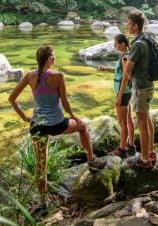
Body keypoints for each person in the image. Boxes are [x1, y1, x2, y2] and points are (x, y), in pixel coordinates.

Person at [9, 45, 105, 199]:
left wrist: (25, 118)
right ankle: (92, 161)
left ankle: (42, 200)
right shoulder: (58, 76)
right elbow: (65, 102)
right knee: (83, 127)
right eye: (53, 56)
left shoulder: (29, 76)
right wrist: (74, 116)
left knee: (41, 164)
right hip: (56, 124)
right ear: (48, 60)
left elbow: (11, 99)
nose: (55, 58)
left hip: (37, 126)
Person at [118, 11, 156, 169]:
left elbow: (128, 66)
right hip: (149, 85)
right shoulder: (148, 39)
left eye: (128, 23)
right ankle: (151, 151)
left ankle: (145, 159)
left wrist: (128, 72)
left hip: (140, 87)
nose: (127, 26)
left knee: (142, 123)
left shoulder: (138, 44)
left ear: (135, 25)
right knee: (147, 119)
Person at [97, 33, 136, 157]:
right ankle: (131, 144)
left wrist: (119, 96)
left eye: (116, 43)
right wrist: (106, 69)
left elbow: (125, 78)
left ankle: (121, 149)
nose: (114, 46)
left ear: (122, 44)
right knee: (129, 119)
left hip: (123, 92)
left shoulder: (125, 57)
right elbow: (122, 71)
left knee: (122, 122)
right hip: (127, 92)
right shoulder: (127, 55)